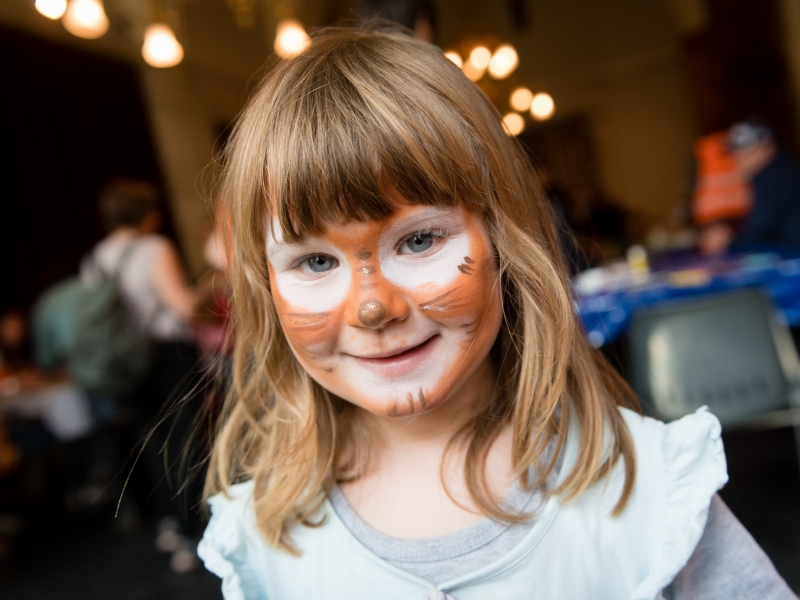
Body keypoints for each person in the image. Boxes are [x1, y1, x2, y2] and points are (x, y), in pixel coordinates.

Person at [198, 27, 794, 598]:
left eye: (419, 240)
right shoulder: (265, 544)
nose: (373, 306)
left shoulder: (652, 494)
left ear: (505, 240)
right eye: (315, 262)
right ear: (265, 288)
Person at [81, 179, 212, 570]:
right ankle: (195, 533)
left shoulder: (94, 258)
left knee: (152, 443)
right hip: (165, 355)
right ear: (147, 213)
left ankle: (170, 524)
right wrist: (216, 280)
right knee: (187, 440)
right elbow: (184, 307)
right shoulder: (154, 248)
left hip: (123, 363)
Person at [699, 121, 800, 255]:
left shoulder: (775, 177)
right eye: (734, 151)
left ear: (767, 147)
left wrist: (726, 243)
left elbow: (759, 232)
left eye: (745, 151)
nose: (737, 158)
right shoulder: (772, 172)